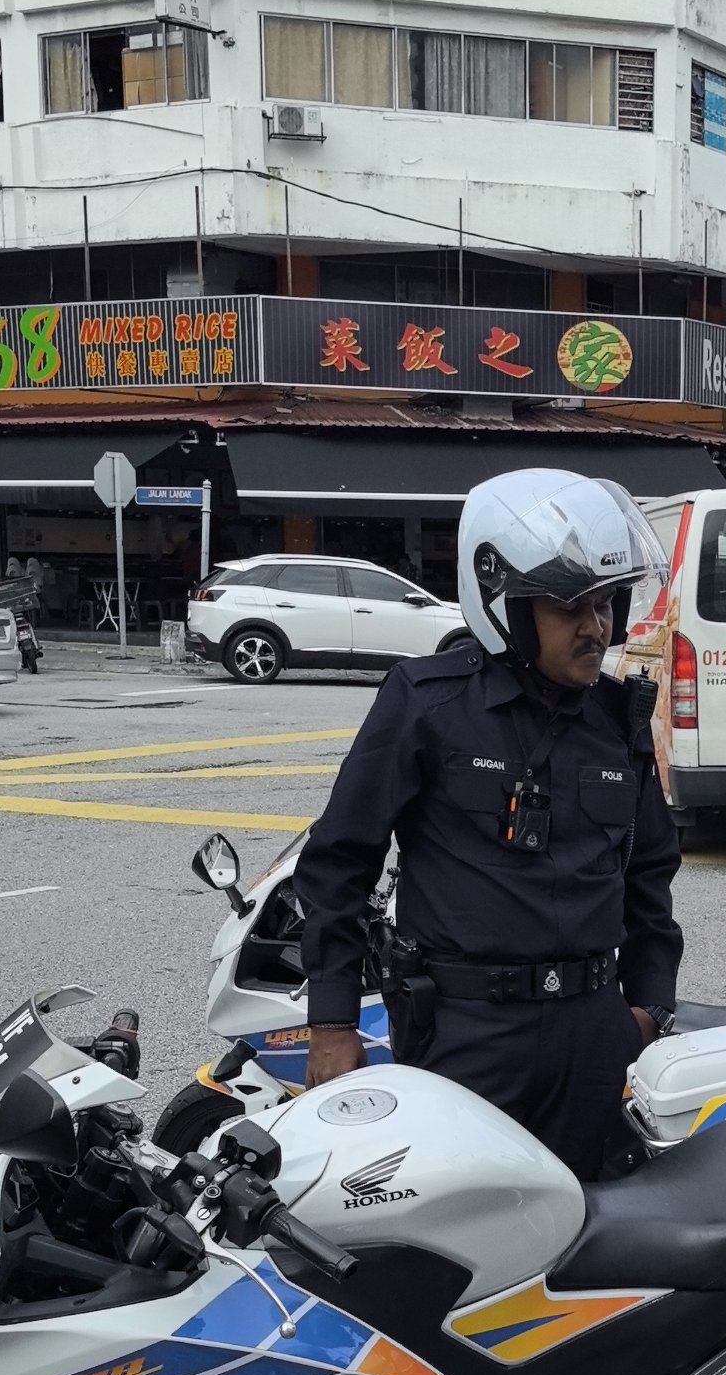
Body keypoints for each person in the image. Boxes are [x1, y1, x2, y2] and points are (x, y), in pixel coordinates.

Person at [293, 469, 683, 1182]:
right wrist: (333, 1024)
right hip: (470, 1040)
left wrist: (646, 1009)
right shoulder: (427, 703)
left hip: (595, 1040)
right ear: (504, 601)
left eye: (605, 605)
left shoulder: (615, 721)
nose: (597, 627)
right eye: (573, 608)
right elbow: (337, 863)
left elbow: (651, 872)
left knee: (595, 1250)